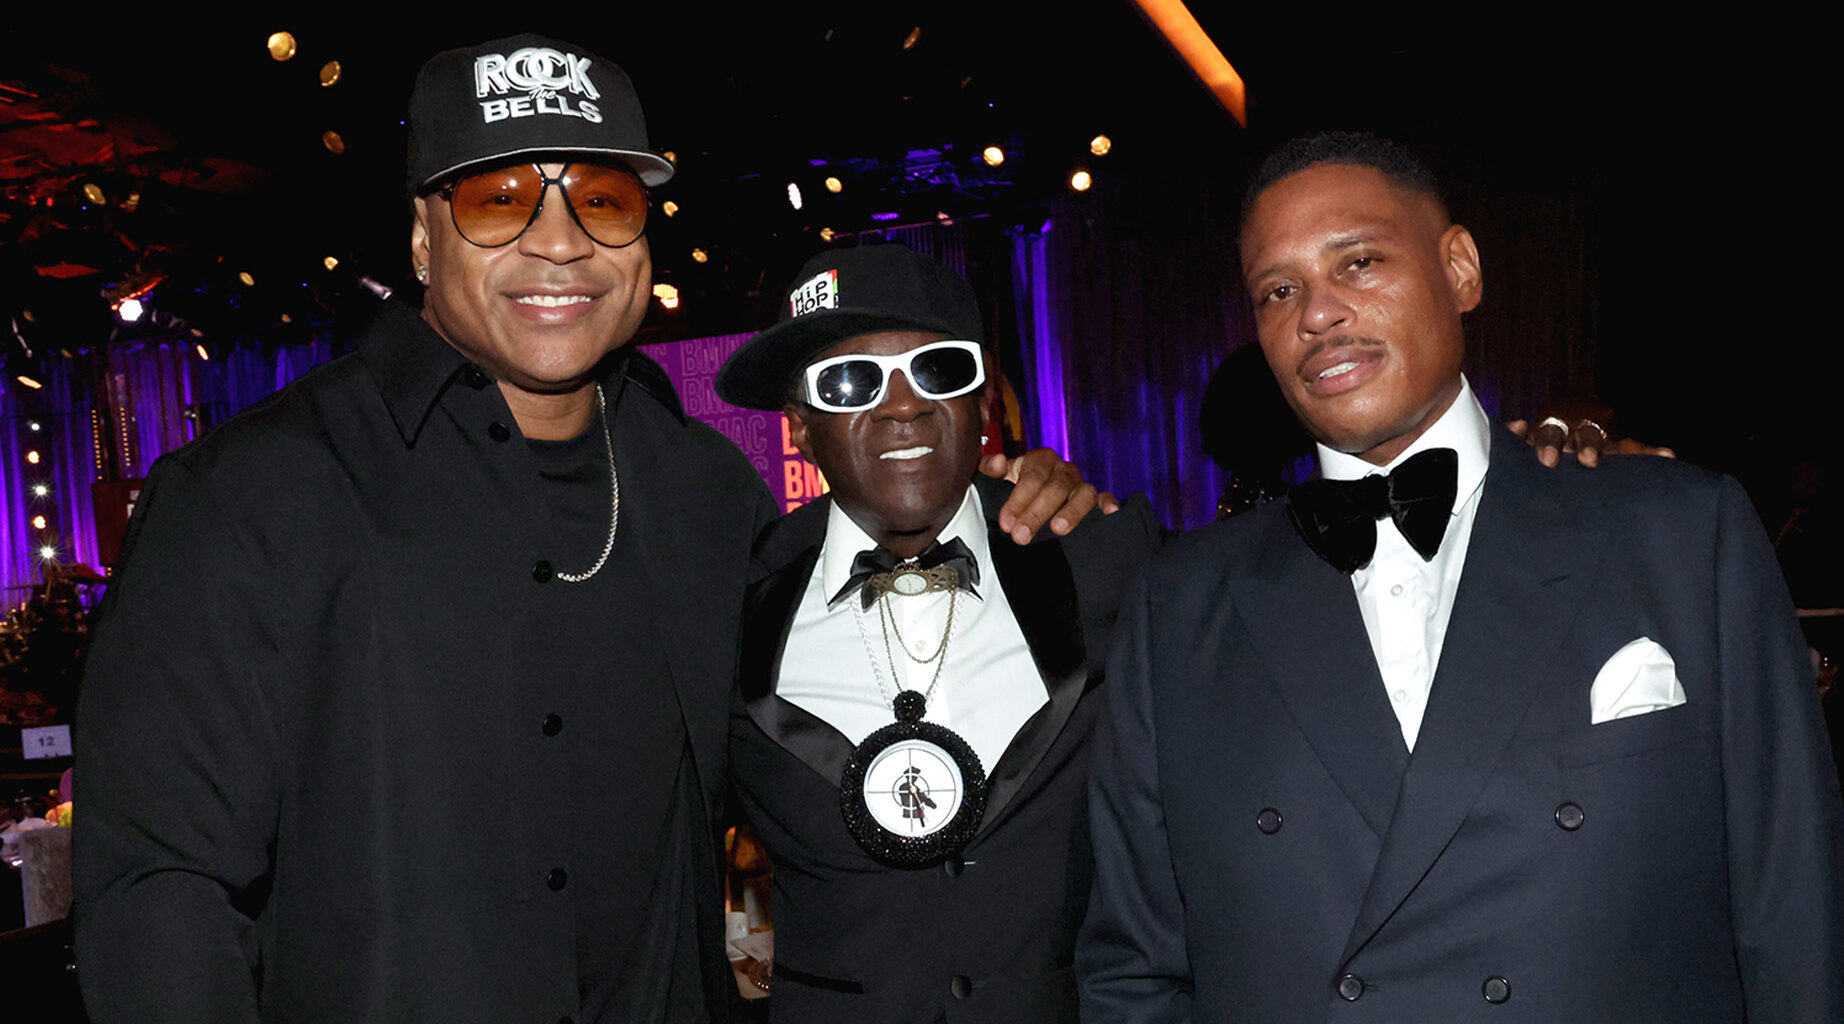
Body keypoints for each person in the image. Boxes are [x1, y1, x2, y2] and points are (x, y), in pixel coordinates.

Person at [71, 35, 1095, 1024]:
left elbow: (853, 738)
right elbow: (159, 896)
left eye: (602, 200)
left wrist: (1006, 511)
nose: (558, 241)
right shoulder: (248, 497)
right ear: (423, 238)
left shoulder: (707, 493)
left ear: (641, 239)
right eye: (498, 198)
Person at [1077, 132, 1844, 1022]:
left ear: (1461, 270)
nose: (1316, 314)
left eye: (1358, 262)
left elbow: (1794, 909)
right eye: (1278, 291)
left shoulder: (1678, 533)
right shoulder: (1181, 606)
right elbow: (1135, 971)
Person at [714, 244, 1160, 1022]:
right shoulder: (730, 606)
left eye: (938, 371)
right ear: (802, 431)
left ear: (982, 403)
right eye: (850, 381)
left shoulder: (1105, 560)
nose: (903, 407)